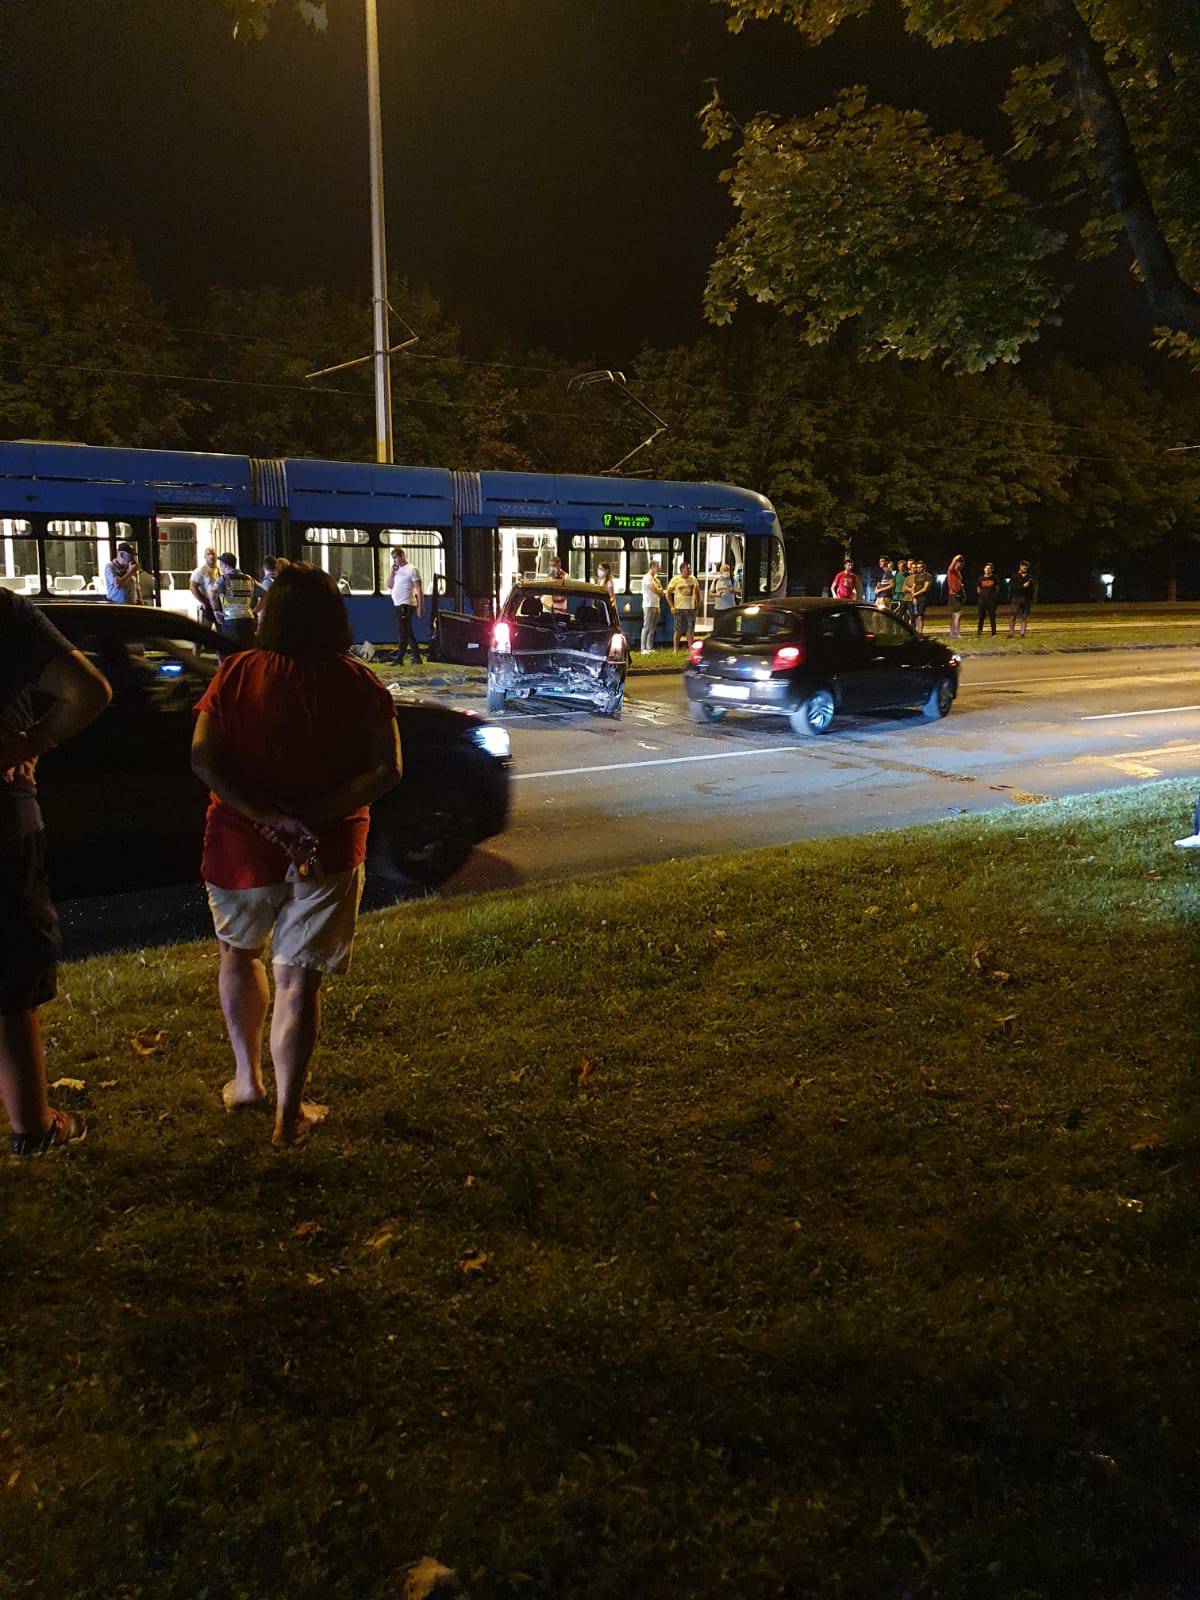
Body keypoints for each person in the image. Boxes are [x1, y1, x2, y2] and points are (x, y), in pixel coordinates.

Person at [190, 562, 402, 1148]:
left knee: (239, 954)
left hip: (241, 846)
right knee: (298, 981)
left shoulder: (234, 675)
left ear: (269, 614)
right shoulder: (360, 684)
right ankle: (288, 1118)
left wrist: (269, 817)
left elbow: (204, 759)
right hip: (329, 848)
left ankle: (246, 1080)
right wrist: (315, 814)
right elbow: (388, 770)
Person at [1, 592, 111, 1155]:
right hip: (3, 825)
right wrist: (33, 740)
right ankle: (32, 1127)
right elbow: (89, 690)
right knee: (12, 981)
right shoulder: (5, 615)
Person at [212, 553, 264, 649]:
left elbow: (213, 594)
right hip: (248, 619)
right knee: (247, 650)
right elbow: (266, 595)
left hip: (231, 619)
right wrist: (255, 611)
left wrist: (216, 611)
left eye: (221, 565)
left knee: (230, 651)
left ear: (225, 565)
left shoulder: (223, 579)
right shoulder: (249, 579)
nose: (220, 568)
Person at [387, 547, 424, 665]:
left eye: (396, 557)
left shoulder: (412, 569)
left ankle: (400, 658)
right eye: (393, 558)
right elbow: (390, 585)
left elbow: (419, 589)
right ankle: (415, 657)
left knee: (403, 630)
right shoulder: (396, 570)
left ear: (402, 556)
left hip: (407, 603)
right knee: (405, 630)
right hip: (397, 603)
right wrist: (392, 573)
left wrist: (420, 606)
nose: (395, 560)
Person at [666, 560, 701, 650]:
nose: (689, 570)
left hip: (691, 608)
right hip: (679, 609)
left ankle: (691, 649)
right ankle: (675, 649)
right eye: (687, 569)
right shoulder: (675, 579)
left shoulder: (693, 579)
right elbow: (668, 593)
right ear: (682, 569)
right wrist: (672, 606)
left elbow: (697, 593)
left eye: (690, 569)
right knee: (678, 630)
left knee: (690, 630)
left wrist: (697, 606)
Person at [640, 559, 668, 653]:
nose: (659, 568)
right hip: (648, 605)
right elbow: (655, 590)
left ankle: (649, 647)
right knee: (647, 627)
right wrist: (659, 590)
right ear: (652, 567)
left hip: (656, 605)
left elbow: (661, 591)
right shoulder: (647, 578)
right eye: (657, 566)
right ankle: (643, 648)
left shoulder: (656, 579)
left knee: (653, 627)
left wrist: (659, 590)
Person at [104, 541, 142, 605]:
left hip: (132, 605)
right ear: (121, 555)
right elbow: (117, 584)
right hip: (117, 606)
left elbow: (134, 586)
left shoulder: (128, 567)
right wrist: (130, 573)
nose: (132, 559)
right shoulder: (110, 567)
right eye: (130, 556)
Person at [190, 547, 220, 626]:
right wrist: (204, 602)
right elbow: (192, 587)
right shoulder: (200, 571)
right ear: (205, 556)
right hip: (208, 606)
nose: (211, 556)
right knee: (205, 632)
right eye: (208, 554)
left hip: (219, 605)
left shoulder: (219, 570)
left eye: (213, 554)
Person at [1008, 560, 1035, 639]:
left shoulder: (1029, 577)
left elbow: (1032, 589)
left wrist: (1031, 598)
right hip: (1016, 598)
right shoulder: (1014, 576)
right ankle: (1011, 633)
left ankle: (1022, 633)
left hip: (1026, 599)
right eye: (1023, 565)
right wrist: (1023, 586)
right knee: (1013, 616)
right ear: (1020, 566)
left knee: (1024, 616)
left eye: (1026, 566)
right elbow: (1012, 588)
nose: (1025, 567)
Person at [909, 560, 934, 635]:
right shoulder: (917, 576)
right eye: (918, 567)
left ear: (924, 567)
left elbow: (925, 588)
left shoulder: (928, 576)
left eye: (920, 567)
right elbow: (913, 587)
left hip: (923, 598)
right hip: (915, 598)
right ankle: (917, 631)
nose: (919, 569)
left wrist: (915, 594)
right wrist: (913, 596)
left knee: (920, 615)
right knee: (916, 615)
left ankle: (920, 631)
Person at [977, 563, 1000, 636]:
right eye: (986, 568)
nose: (987, 570)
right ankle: (979, 633)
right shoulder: (980, 578)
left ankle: (994, 634)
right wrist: (982, 595)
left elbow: (997, 589)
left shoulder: (995, 578)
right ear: (984, 569)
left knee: (992, 617)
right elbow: (978, 589)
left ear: (992, 570)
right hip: (982, 601)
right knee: (981, 617)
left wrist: (992, 596)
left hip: (992, 601)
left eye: (989, 568)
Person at [945, 555, 965, 639]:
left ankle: (952, 633)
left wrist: (961, 586)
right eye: (958, 563)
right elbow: (952, 564)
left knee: (954, 615)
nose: (959, 565)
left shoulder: (958, 572)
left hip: (958, 594)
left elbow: (958, 583)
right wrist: (957, 557)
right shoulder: (951, 571)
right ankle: (957, 633)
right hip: (954, 594)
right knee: (958, 614)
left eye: (961, 564)